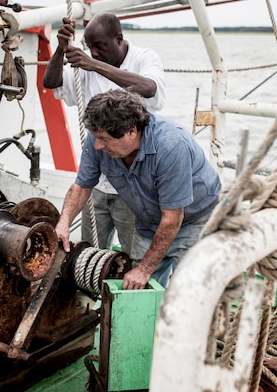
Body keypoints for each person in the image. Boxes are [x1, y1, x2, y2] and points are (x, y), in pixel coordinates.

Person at [55, 89, 221, 290]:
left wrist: (144, 269)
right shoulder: (97, 139)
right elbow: (81, 187)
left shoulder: (170, 146)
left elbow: (172, 219)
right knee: (137, 289)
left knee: (186, 289)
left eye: (104, 139)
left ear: (131, 132)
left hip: (195, 220)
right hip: (149, 222)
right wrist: (63, 223)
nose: (97, 145)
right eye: (96, 137)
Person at [43, 12, 166, 254]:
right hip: (97, 181)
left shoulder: (144, 57)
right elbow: (50, 82)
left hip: (134, 185)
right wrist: (60, 49)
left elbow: (149, 88)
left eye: (99, 46)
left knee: (135, 256)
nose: (94, 52)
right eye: (90, 47)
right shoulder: (86, 64)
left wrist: (94, 65)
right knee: (88, 253)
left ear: (118, 39)